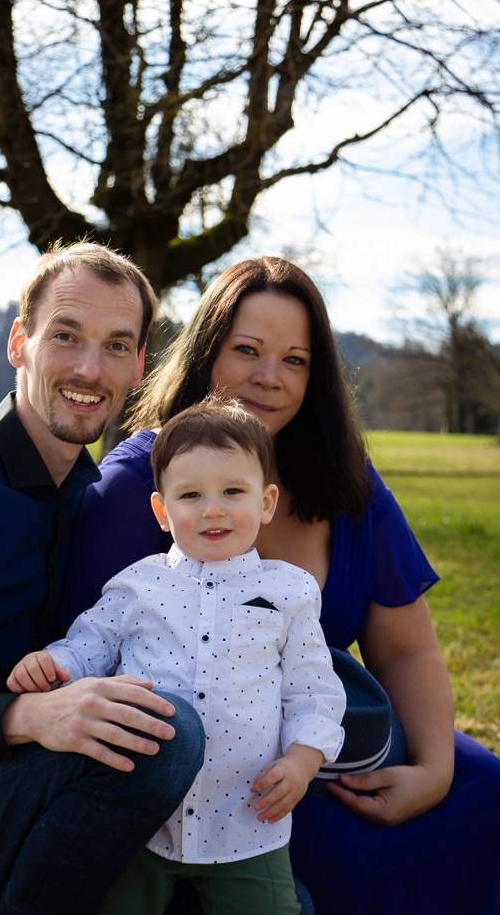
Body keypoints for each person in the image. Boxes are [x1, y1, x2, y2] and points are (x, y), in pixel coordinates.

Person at [62, 257, 500, 915]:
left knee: (486, 790)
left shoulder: (346, 480)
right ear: (209, 354)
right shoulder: (140, 486)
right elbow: (87, 654)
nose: (269, 377)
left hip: (333, 736)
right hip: (230, 783)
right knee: (348, 862)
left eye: (294, 360)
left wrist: (434, 771)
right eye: (248, 350)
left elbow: (406, 647)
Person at [0, 242, 205, 915]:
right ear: (19, 342)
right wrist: (23, 716)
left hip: (32, 796)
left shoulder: (98, 496)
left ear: (140, 365)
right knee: (168, 737)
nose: (89, 368)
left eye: (116, 345)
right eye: (66, 336)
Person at [10, 399, 346, 915]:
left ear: (267, 502)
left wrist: (303, 762)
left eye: (234, 491)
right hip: (143, 819)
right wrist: (53, 667)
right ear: (162, 511)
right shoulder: (138, 584)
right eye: (191, 495)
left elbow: (314, 691)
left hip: (247, 822)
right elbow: (89, 645)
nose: (213, 509)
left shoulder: (289, 591)